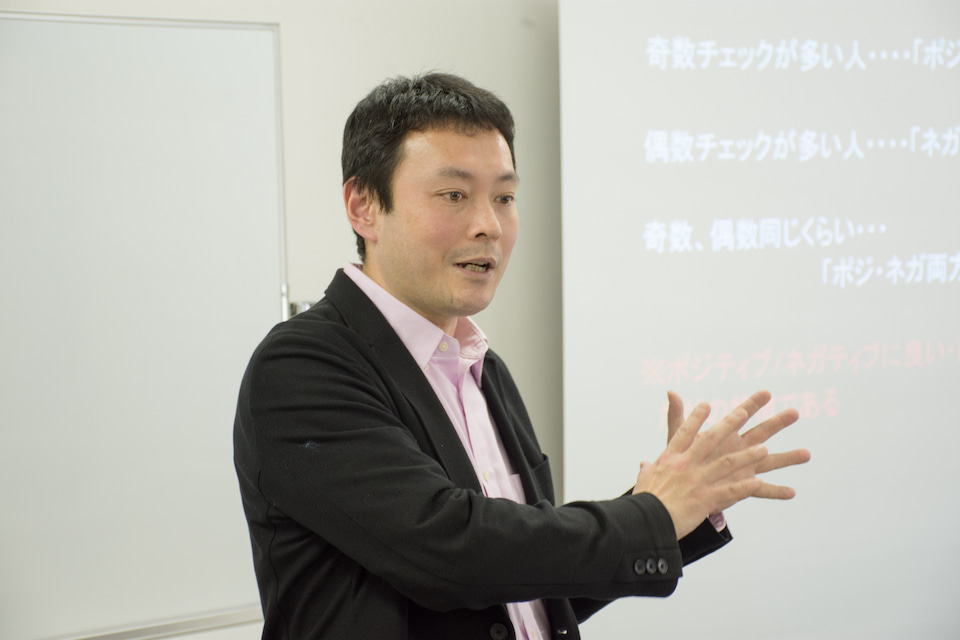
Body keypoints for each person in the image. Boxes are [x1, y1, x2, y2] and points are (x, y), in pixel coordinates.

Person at [233, 72, 810, 640]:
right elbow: (452, 552)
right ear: (363, 206)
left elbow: (525, 584)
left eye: (505, 198)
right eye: (454, 195)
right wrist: (652, 515)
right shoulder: (302, 366)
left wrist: (683, 504)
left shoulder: (480, 366)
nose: (489, 225)